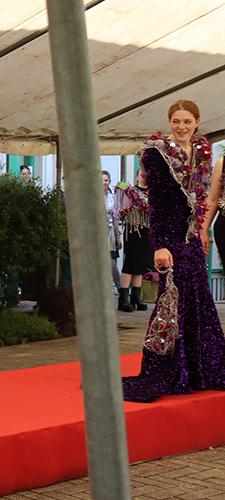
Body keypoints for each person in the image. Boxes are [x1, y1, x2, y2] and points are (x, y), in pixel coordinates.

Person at [122, 99, 225, 403]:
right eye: (176, 121)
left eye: (187, 121)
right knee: (172, 302)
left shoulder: (202, 155)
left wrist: (200, 232)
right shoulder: (157, 154)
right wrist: (160, 245)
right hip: (169, 238)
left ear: (197, 123)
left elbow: (205, 200)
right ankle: (168, 369)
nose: (181, 127)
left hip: (191, 238)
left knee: (197, 300)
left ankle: (199, 370)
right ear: (169, 123)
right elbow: (156, 205)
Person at [115, 168, 152, 312]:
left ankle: (136, 296)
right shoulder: (131, 192)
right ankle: (123, 298)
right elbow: (123, 211)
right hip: (133, 230)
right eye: (141, 175)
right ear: (136, 176)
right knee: (131, 262)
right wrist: (132, 218)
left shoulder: (152, 192)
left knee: (141, 264)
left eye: (146, 175)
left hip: (147, 230)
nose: (144, 177)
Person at [104, 170, 123, 292]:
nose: (103, 182)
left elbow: (115, 218)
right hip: (95, 234)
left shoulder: (113, 198)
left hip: (109, 233)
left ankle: (120, 287)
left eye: (106, 180)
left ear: (109, 182)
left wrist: (118, 236)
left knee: (111, 263)